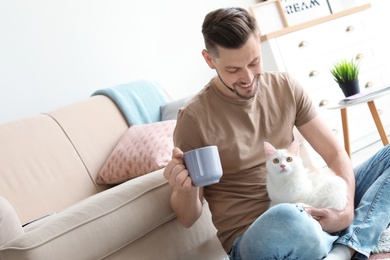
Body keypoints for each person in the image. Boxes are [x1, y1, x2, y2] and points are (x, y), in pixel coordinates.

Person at [163, 6, 390, 260]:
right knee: (289, 215)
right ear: (209, 60)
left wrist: (345, 211)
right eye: (233, 70)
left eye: (253, 62)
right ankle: (343, 241)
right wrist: (183, 189)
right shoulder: (193, 118)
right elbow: (187, 218)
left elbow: (335, 153)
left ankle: (349, 243)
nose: (248, 77)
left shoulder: (285, 86)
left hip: (311, 202)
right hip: (256, 232)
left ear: (258, 41)